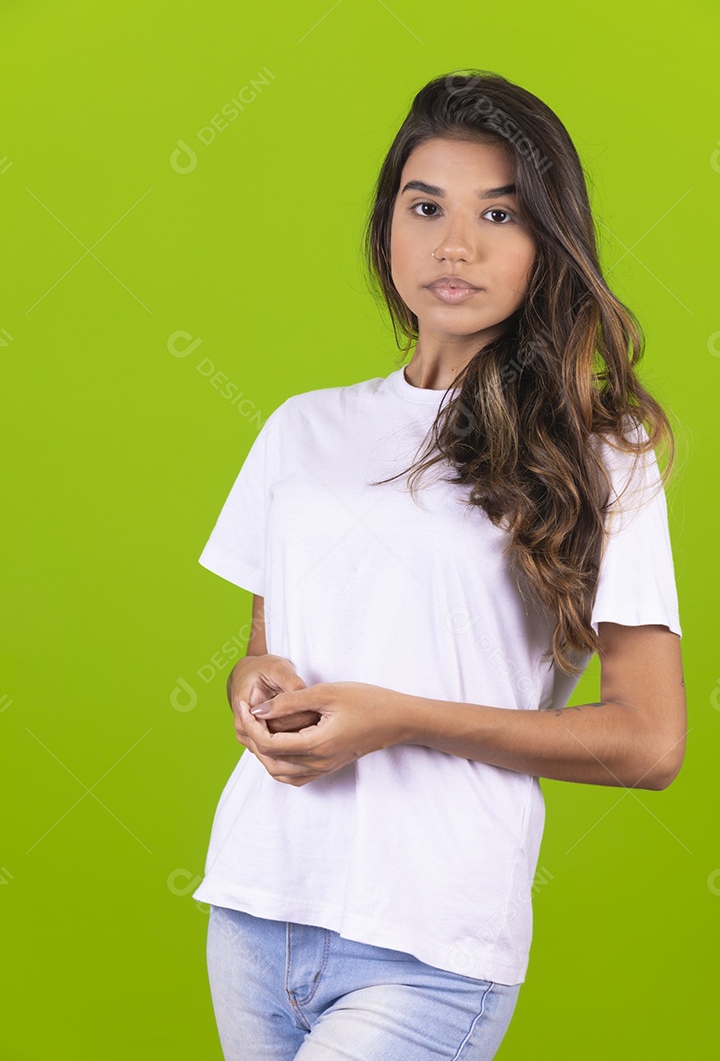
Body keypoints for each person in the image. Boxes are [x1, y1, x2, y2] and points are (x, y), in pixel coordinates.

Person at [192, 69, 686, 1060]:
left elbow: (648, 742)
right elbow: (268, 644)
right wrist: (253, 682)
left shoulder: (601, 451)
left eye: (498, 214)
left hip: (432, 938)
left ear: (549, 242)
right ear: (388, 229)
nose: (455, 246)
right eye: (426, 208)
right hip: (258, 902)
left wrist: (405, 719)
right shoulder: (303, 428)